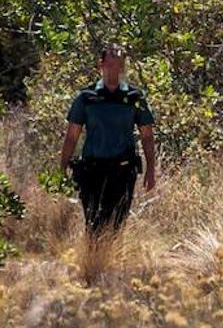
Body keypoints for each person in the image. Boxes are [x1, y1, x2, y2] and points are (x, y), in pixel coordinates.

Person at [59, 43, 157, 237]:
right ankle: (93, 262)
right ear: (101, 65)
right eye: (110, 64)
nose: (114, 69)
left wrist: (151, 170)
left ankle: (112, 262)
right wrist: (62, 167)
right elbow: (72, 136)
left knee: (117, 223)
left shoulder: (134, 97)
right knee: (94, 222)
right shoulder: (86, 97)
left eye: (119, 65)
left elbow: (147, 135)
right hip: (92, 169)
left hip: (123, 169)